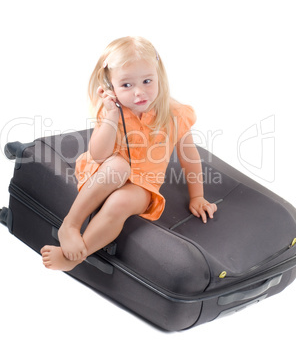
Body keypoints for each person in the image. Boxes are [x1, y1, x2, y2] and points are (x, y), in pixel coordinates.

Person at [40, 36, 217, 271]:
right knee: (119, 166)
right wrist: (112, 116)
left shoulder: (176, 113)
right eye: (126, 85)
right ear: (111, 86)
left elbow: (189, 156)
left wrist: (198, 196)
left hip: (143, 184)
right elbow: (99, 155)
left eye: (147, 81)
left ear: (158, 76)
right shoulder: (113, 110)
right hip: (106, 171)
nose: (139, 93)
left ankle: (73, 258)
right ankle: (70, 225)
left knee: (120, 202)